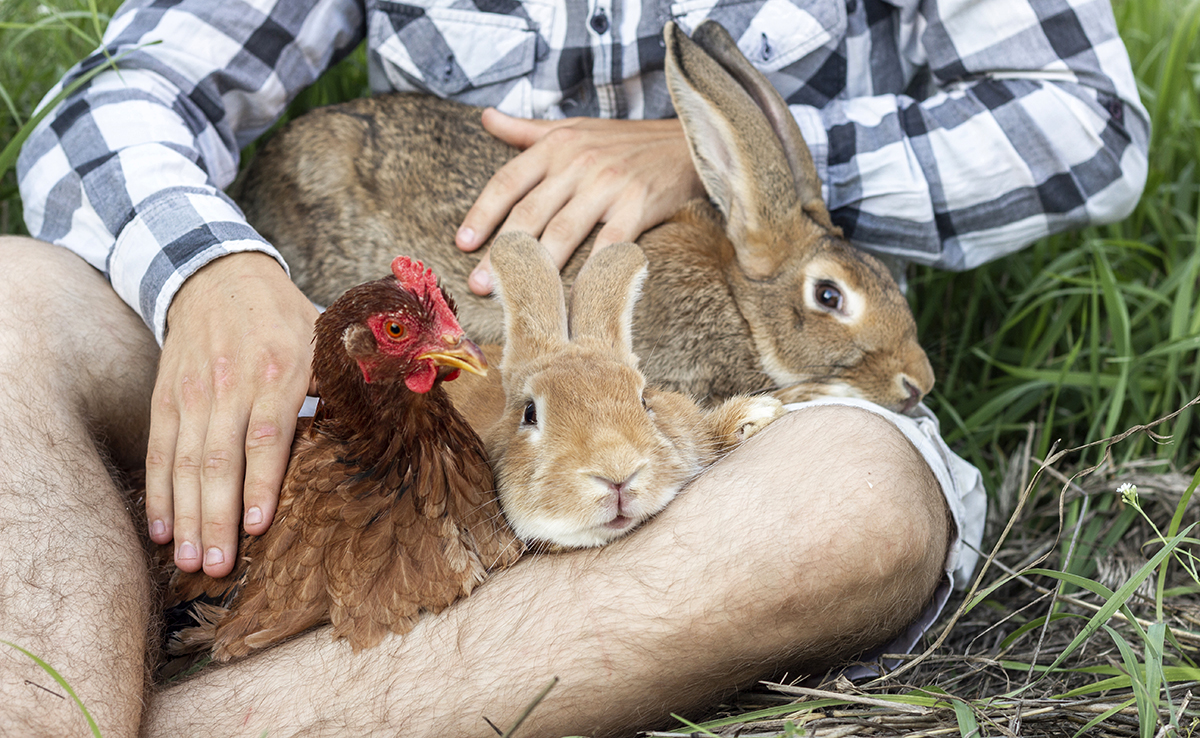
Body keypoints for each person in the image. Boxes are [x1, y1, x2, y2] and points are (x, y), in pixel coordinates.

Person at [1, 0, 1146, 734]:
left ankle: (193, 722)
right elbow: (124, 89)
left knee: (852, 513)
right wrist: (213, 269)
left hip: (717, 414)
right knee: (13, 304)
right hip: (380, 348)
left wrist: (700, 168)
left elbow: (1084, 118)